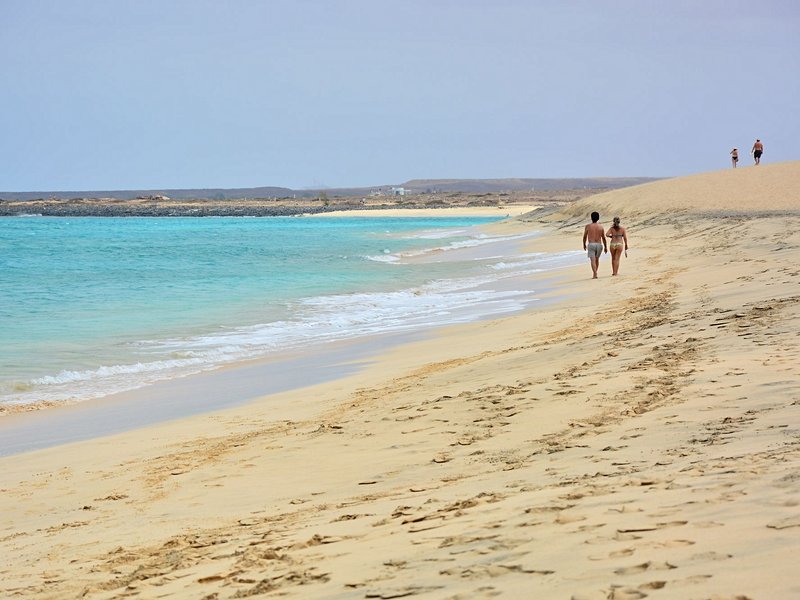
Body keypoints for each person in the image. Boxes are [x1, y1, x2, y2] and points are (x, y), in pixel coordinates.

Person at [582, 211, 607, 279]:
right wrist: (605, 247)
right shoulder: (601, 227)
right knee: (597, 260)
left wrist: (584, 244)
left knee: (593, 260)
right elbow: (603, 238)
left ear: (591, 218)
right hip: (599, 245)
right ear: (598, 218)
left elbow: (584, 236)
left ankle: (595, 273)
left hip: (591, 245)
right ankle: (595, 273)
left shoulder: (588, 226)